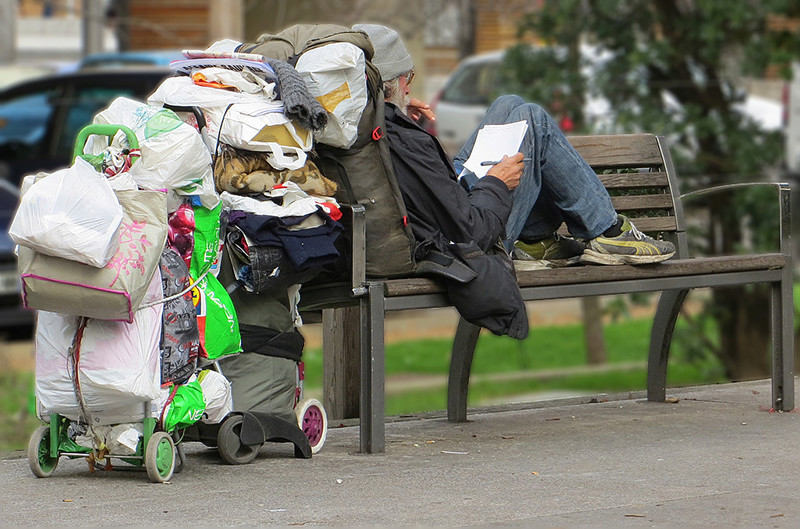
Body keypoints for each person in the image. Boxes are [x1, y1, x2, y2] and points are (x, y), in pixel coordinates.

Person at [351, 24, 675, 338]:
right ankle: (607, 231)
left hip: (453, 212)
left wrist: (395, 114)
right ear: (390, 84)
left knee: (509, 104)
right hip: (471, 243)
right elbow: (471, 233)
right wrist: (496, 182)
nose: (411, 86)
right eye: (408, 79)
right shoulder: (403, 142)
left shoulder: (365, 132)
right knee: (533, 119)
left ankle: (535, 242)